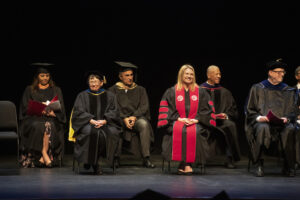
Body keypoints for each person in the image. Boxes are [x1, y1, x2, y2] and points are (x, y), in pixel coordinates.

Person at [157, 64, 217, 175]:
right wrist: (179, 119)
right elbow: (166, 110)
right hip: (177, 121)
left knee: (195, 131)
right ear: (181, 75)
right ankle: (185, 163)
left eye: (191, 74)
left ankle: (186, 163)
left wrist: (197, 119)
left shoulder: (201, 92)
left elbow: (208, 110)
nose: (189, 76)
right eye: (187, 74)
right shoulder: (171, 91)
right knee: (181, 130)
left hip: (196, 122)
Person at [245, 59, 298, 177]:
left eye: (283, 72)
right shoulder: (258, 88)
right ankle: (259, 164)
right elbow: (249, 109)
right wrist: (259, 118)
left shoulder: (288, 90)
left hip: (282, 123)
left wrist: (287, 118)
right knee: (262, 127)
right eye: (279, 72)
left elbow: (293, 111)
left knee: (289, 129)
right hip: (263, 123)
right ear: (270, 73)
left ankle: (287, 165)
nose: (282, 74)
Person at [69, 71, 122, 175]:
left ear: (101, 83)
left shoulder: (110, 96)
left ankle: (95, 161)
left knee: (112, 133)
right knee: (91, 132)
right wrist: (91, 120)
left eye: (96, 81)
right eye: (91, 81)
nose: (93, 84)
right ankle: (95, 163)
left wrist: (105, 120)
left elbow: (115, 111)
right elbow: (78, 112)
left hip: (106, 123)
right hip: (87, 123)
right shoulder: (82, 95)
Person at [109, 61, 155, 168]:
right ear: (120, 77)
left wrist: (134, 116)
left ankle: (146, 158)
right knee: (116, 126)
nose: (130, 78)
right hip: (120, 119)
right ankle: (115, 158)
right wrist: (124, 118)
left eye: (131, 75)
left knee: (144, 124)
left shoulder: (140, 90)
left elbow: (144, 106)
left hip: (136, 118)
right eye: (127, 75)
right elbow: (113, 108)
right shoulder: (112, 90)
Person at [19, 63, 66, 168]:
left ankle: (42, 156)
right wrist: (40, 109)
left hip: (51, 117)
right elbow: (25, 107)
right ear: (37, 77)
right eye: (42, 76)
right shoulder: (30, 90)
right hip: (33, 118)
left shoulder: (56, 89)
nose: (45, 78)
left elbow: (61, 107)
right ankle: (44, 155)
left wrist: (54, 113)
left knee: (49, 125)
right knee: (39, 125)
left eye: (47, 76)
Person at [200, 65, 241, 168]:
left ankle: (230, 159)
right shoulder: (199, 91)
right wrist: (209, 116)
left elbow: (233, 110)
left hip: (221, 122)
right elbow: (195, 110)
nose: (219, 76)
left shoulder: (225, 92)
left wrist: (225, 115)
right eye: (216, 74)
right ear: (208, 75)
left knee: (230, 125)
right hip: (205, 121)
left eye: (220, 74)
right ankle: (200, 159)